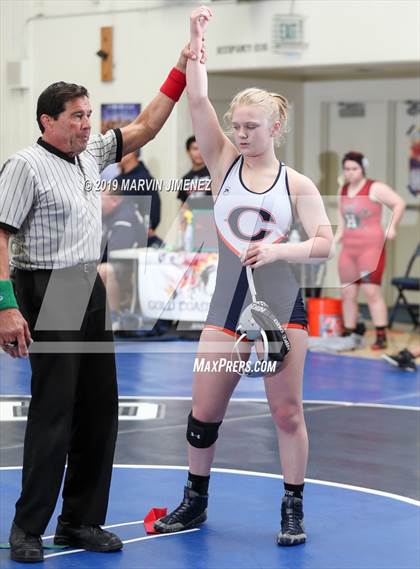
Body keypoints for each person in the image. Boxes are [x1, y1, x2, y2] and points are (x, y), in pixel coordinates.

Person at [0, 43, 202, 563]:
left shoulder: (91, 154)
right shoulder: (23, 166)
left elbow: (147, 126)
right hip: (46, 284)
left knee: (98, 408)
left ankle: (80, 521)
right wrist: (5, 305)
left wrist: (180, 69)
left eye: (90, 114)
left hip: (83, 284)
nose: (87, 124)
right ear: (47, 120)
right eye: (76, 116)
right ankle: (28, 528)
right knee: (54, 410)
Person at [154, 6, 334, 547]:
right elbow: (198, 99)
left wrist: (280, 252)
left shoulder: (296, 183)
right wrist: (195, 40)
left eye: (252, 127)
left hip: (281, 310)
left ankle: (293, 506)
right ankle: (195, 500)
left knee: (286, 412)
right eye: (238, 126)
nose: (242, 133)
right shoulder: (222, 164)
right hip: (226, 311)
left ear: (276, 128)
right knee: (203, 413)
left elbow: (324, 243)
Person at [336, 151, 406, 349]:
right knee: (347, 293)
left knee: (371, 292)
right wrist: (338, 235)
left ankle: (381, 334)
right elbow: (342, 217)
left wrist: (392, 226)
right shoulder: (343, 189)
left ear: (362, 168)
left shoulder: (374, 187)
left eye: (354, 169)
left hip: (370, 248)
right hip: (349, 248)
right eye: (347, 169)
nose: (350, 173)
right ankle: (349, 333)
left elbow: (399, 202)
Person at [99, 187, 147, 329]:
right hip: (117, 261)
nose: (97, 202)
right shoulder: (107, 216)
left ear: (115, 201)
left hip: (129, 265)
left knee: (104, 270)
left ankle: (114, 316)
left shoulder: (124, 216)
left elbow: (115, 250)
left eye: (101, 198)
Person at [115, 150, 163, 247]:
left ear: (132, 152)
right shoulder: (116, 180)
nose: (116, 154)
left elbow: (153, 212)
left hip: (138, 240)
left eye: (119, 150)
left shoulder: (145, 179)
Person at [177, 135, 212, 210]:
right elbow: (183, 206)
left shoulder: (213, 174)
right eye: (195, 149)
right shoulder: (185, 179)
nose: (199, 153)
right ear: (188, 151)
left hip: (211, 219)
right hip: (192, 220)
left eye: (201, 148)